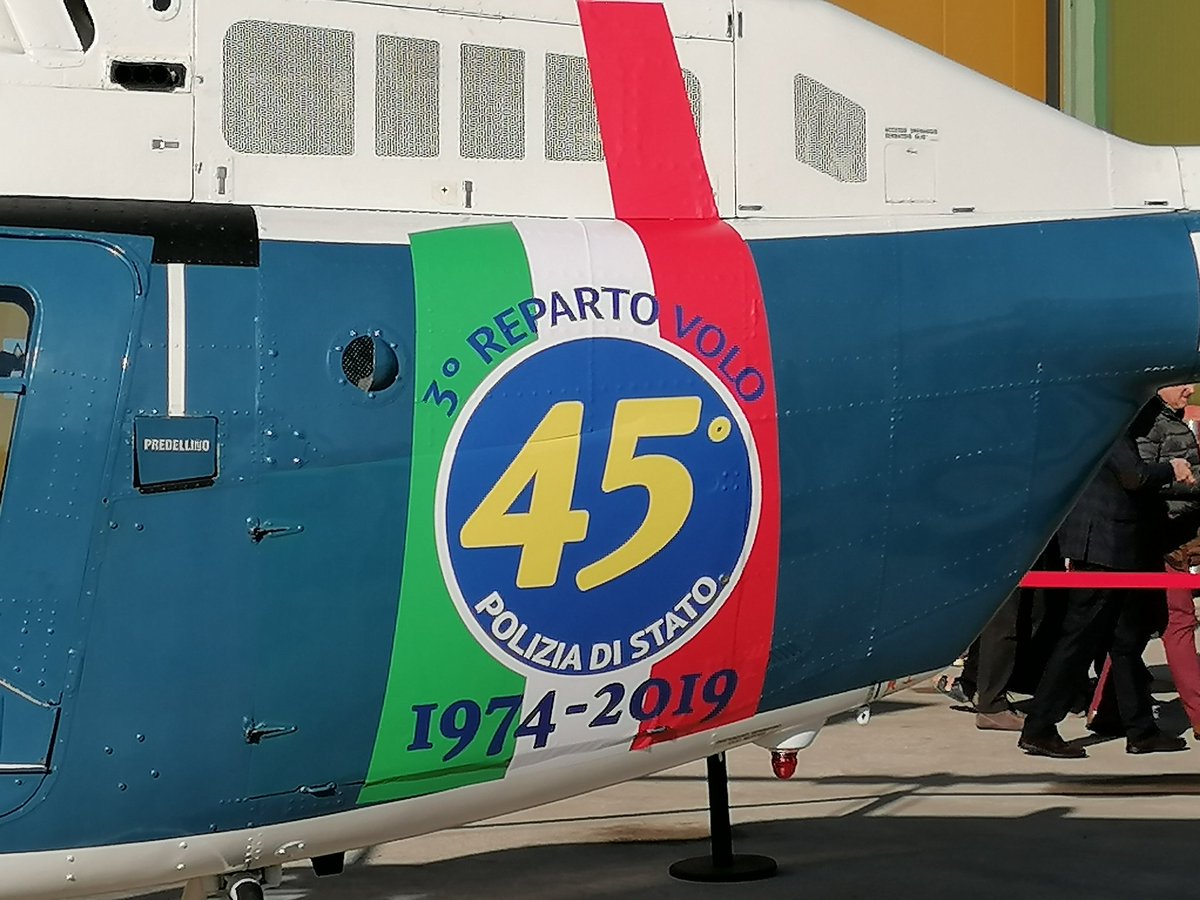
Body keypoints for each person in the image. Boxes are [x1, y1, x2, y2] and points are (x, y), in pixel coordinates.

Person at [1018, 403, 1193, 758]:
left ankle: (1140, 729)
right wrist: (1171, 468)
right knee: (1079, 639)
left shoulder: (1102, 421)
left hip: (1117, 546)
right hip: (1103, 547)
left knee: (1126, 641)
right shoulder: (1108, 423)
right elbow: (1134, 476)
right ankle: (1039, 726)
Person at [1133, 383, 1200, 741]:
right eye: (1183, 383)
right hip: (1165, 540)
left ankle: (1105, 706)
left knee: (1130, 628)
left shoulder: (1168, 418)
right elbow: (1140, 479)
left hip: (1172, 536)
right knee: (1179, 622)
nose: (1191, 390)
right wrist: (1191, 484)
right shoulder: (1151, 422)